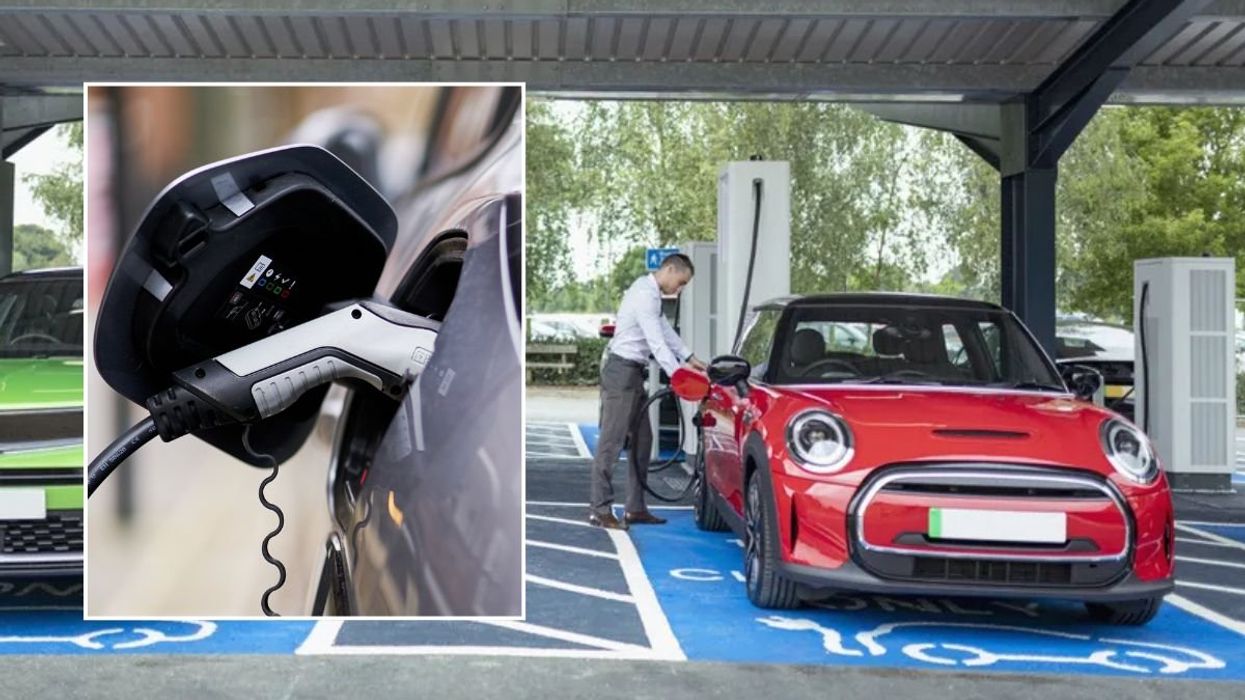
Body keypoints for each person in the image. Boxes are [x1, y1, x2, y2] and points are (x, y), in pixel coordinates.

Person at [589, 253, 706, 529]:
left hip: (633, 373)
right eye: (680, 282)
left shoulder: (652, 297)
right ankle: (600, 509)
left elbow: (665, 332)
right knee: (611, 442)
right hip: (621, 373)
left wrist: (690, 359)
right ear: (669, 269)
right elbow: (656, 341)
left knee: (643, 441)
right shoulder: (644, 294)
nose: (679, 290)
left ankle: (635, 508)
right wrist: (678, 375)